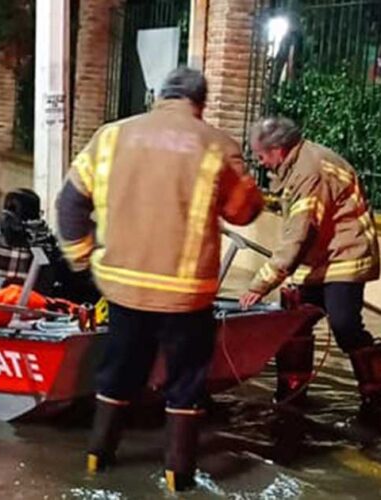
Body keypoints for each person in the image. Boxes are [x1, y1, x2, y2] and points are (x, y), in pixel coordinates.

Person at [56, 67, 264, 492]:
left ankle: (97, 461)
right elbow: (244, 212)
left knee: (117, 374)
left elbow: (69, 205)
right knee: (184, 386)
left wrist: (83, 261)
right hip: (186, 297)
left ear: (159, 96)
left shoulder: (111, 136)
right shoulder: (216, 146)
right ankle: (178, 477)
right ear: (199, 103)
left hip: (122, 287)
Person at [240, 117, 381, 423]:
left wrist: (260, 283)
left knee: (345, 326)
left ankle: (375, 395)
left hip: (345, 256)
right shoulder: (299, 163)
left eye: (261, 156)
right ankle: (291, 393)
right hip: (319, 258)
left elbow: (300, 232)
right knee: (294, 321)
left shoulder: (309, 170)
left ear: (278, 150)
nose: (261, 164)